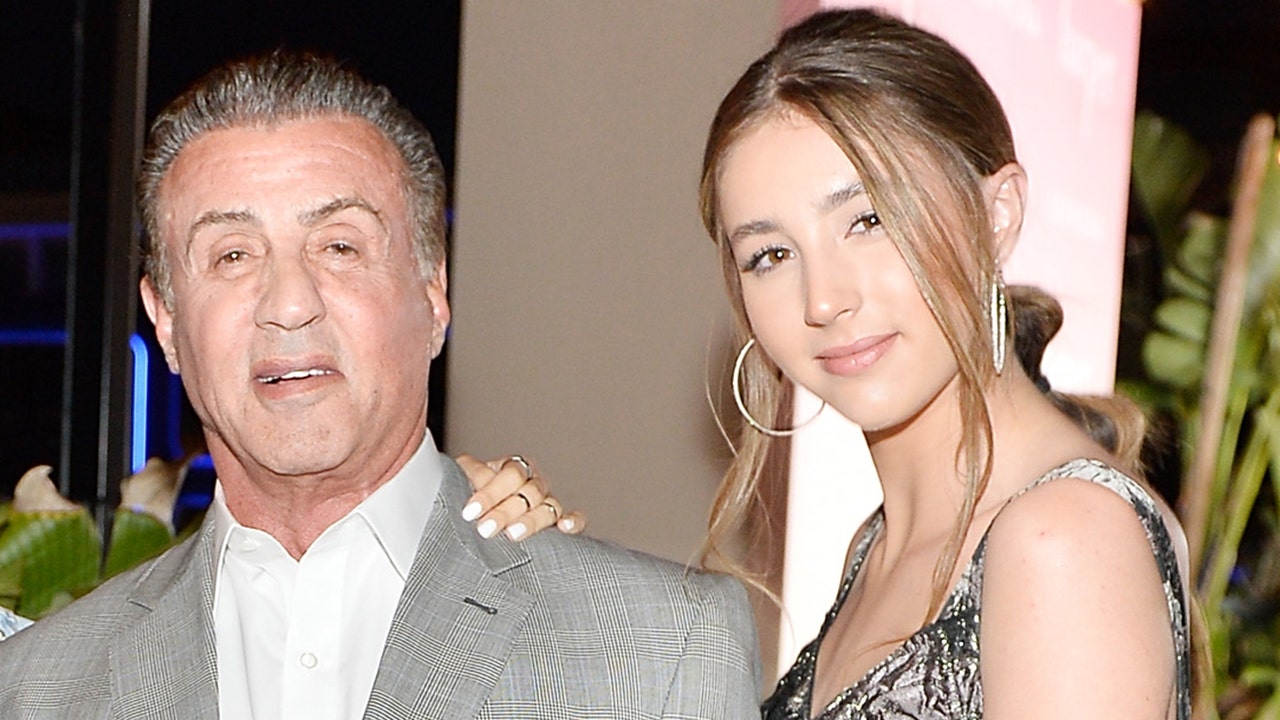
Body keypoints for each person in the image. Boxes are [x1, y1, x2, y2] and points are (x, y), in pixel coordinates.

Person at [469, 8, 1194, 719]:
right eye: (771, 255)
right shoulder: (877, 547)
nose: (823, 299)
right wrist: (541, 581)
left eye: (869, 219)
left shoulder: (1062, 540)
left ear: (996, 213)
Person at [0, 52, 761, 719]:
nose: (288, 303)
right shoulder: (37, 687)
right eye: (232, 255)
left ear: (432, 293)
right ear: (166, 322)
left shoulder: (662, 647)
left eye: (339, 246)